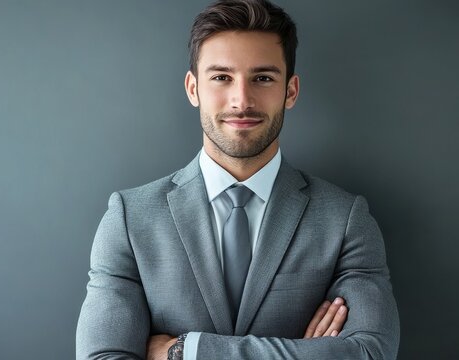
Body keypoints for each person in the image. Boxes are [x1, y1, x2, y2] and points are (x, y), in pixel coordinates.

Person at [76, 0, 400, 359]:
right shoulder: (129, 219)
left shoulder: (345, 220)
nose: (241, 99)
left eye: (262, 78)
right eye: (221, 77)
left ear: (290, 91)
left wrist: (186, 351)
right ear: (193, 88)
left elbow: (371, 352)